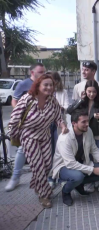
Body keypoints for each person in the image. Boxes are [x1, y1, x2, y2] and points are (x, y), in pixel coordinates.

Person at [8, 74, 68, 208]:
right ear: (38, 86)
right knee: (38, 166)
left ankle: (38, 184)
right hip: (28, 136)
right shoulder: (27, 99)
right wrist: (13, 134)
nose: (49, 87)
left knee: (47, 165)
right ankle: (44, 194)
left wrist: (63, 126)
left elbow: (58, 117)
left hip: (45, 136)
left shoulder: (52, 101)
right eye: (45, 85)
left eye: (51, 85)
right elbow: (15, 117)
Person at [51, 109, 99, 206]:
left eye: (87, 121)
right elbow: (70, 163)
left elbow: (94, 149)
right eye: (84, 122)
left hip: (81, 162)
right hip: (64, 166)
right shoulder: (64, 138)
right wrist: (93, 169)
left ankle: (78, 185)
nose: (87, 124)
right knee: (78, 176)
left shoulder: (88, 130)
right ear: (74, 123)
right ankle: (66, 191)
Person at [5, 63, 45, 192]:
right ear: (32, 73)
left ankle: (43, 179)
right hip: (28, 124)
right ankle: (15, 177)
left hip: (43, 124)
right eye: (41, 72)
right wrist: (19, 114)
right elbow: (14, 100)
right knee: (22, 149)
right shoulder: (23, 84)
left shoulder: (45, 84)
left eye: (44, 71)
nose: (43, 74)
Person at [67, 80, 99, 192]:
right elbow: (69, 111)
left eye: (94, 92)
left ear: (98, 92)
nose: (92, 94)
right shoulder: (82, 102)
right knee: (87, 159)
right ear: (85, 91)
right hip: (83, 135)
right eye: (89, 91)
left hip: (97, 135)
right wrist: (80, 100)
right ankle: (91, 182)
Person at [47, 71, 69, 188]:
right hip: (47, 123)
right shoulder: (44, 92)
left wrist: (60, 107)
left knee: (59, 149)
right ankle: (51, 177)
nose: (50, 84)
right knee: (49, 150)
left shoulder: (63, 92)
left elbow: (66, 106)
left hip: (60, 122)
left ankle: (60, 176)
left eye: (52, 81)